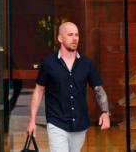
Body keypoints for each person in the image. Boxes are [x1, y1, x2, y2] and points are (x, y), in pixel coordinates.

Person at [26, 22, 110, 152]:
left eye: (76, 35)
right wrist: (32, 120)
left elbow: (98, 89)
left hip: (80, 124)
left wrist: (105, 112)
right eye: (70, 35)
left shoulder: (87, 64)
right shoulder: (48, 63)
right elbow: (39, 90)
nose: (74, 38)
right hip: (56, 122)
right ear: (60, 38)